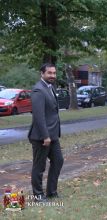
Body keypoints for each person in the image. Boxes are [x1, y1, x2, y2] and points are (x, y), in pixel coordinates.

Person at [28, 63, 64, 201]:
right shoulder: (38, 90)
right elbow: (39, 115)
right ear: (42, 73)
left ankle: (51, 191)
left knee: (58, 160)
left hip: (53, 135)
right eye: (49, 73)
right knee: (39, 166)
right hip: (42, 137)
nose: (52, 76)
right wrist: (45, 136)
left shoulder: (50, 87)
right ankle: (38, 195)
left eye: (54, 73)